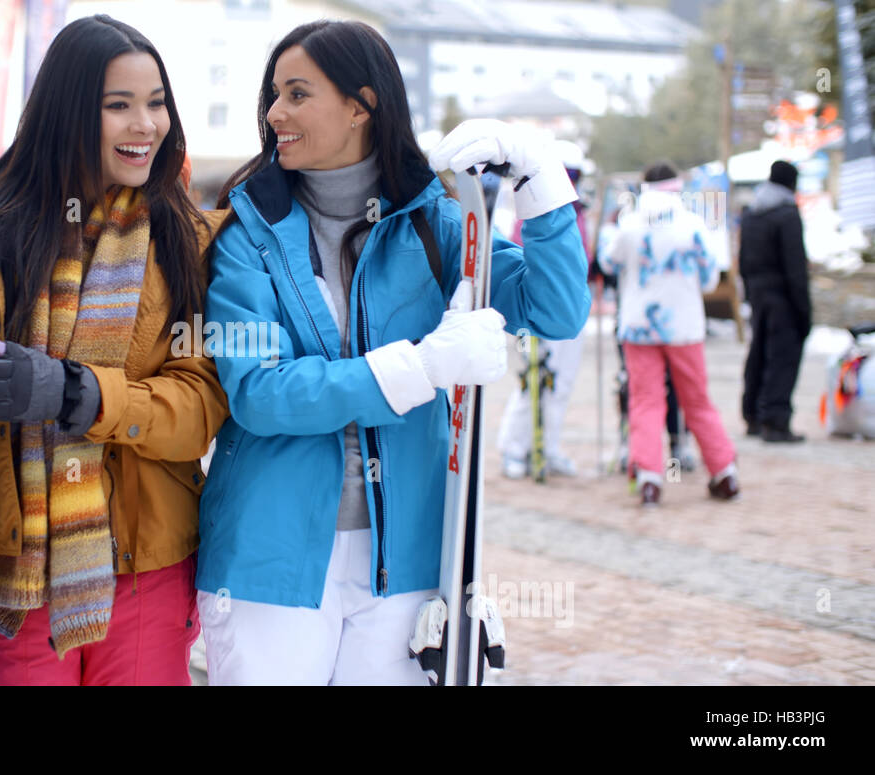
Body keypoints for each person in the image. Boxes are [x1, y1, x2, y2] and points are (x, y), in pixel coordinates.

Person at [196, 20, 589, 685]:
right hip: (271, 561)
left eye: (296, 93)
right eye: (274, 94)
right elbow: (261, 394)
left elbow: (555, 309)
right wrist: (422, 367)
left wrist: (540, 178)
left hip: (406, 557)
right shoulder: (246, 235)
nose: (273, 113)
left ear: (360, 105)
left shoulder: (436, 225)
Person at [0, 15, 230, 685]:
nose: (145, 124)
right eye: (118, 105)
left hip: (146, 565)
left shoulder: (184, 234)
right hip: (17, 568)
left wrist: (77, 394)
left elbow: (202, 401)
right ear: (67, 110)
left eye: (156, 103)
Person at [598, 162, 739, 506]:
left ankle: (649, 477)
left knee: (645, 400)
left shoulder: (629, 224)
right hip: (685, 326)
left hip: (638, 325)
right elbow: (708, 279)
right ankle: (723, 472)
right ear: (677, 189)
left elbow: (608, 264)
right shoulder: (693, 225)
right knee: (697, 400)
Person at [497, 140, 590, 478]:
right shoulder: (534, 207)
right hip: (535, 308)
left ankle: (547, 447)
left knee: (561, 383)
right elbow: (520, 254)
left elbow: (583, 260)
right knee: (533, 382)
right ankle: (514, 447)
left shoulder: (577, 212)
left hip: (571, 309)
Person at [739, 159, 810, 443]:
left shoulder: (753, 213)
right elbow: (796, 268)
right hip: (783, 298)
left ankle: (753, 414)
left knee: (758, 353)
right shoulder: (787, 215)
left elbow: (743, 261)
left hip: (758, 295)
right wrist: (804, 310)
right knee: (782, 359)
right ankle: (775, 421)